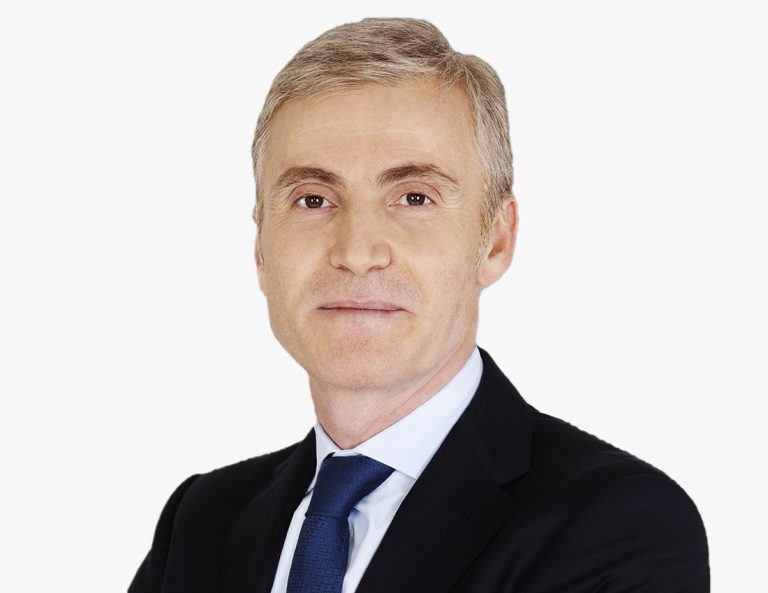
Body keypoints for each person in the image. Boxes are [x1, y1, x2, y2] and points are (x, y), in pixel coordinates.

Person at [129, 17, 709, 593]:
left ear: (495, 241)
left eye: (413, 197)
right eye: (313, 199)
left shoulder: (618, 524)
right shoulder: (201, 522)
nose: (357, 253)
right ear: (261, 248)